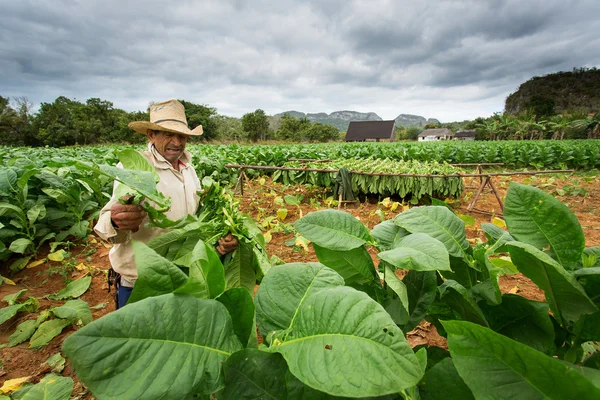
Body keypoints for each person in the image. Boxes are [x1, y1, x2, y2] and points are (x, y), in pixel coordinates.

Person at [94, 99, 237, 308]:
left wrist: (221, 240)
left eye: (181, 135)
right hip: (141, 280)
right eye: (168, 134)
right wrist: (116, 222)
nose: (177, 142)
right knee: (137, 339)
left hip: (182, 276)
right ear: (151, 135)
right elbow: (111, 228)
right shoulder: (135, 168)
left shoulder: (189, 169)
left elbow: (194, 221)